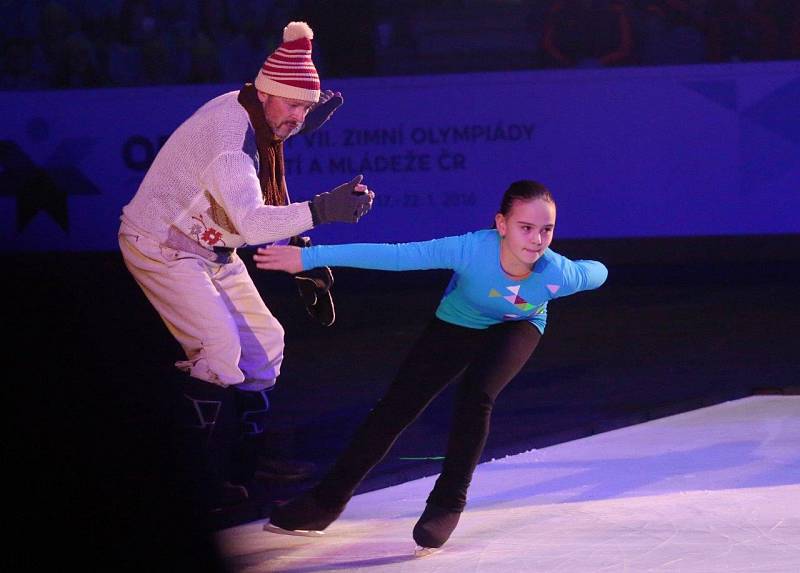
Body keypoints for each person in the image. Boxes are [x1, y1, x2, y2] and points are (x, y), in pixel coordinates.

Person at [253, 180, 607, 552]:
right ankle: (326, 502)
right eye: (526, 227)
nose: (537, 240)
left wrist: (585, 269)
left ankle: (447, 503)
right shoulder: (471, 249)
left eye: (546, 229)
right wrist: (310, 258)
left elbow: (597, 272)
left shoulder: (557, 272)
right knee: (396, 406)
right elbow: (398, 256)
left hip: (519, 326)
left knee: (477, 395)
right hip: (458, 322)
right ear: (501, 224)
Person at [118, 21, 374, 513]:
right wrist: (321, 211)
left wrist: (300, 245)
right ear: (266, 93)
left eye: (307, 108)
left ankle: (246, 462)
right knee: (219, 348)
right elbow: (252, 220)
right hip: (161, 245)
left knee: (266, 345)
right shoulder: (231, 144)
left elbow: (254, 200)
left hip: (211, 247)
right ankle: (188, 476)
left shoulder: (257, 112)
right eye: (293, 105)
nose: (299, 119)